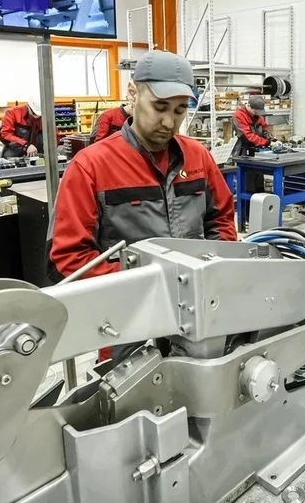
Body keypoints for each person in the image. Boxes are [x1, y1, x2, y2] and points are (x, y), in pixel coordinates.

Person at [47, 50, 237, 360]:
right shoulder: (90, 166)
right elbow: (67, 258)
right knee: (133, 387)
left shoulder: (198, 157)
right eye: (159, 107)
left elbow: (221, 219)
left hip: (199, 314)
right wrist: (148, 286)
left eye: (180, 110)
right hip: (127, 325)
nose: (169, 122)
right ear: (132, 94)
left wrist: (212, 271)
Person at [232, 95, 273, 194]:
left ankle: (260, 201)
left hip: (256, 153)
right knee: (247, 183)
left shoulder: (257, 115)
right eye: (256, 111)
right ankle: (246, 203)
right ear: (249, 106)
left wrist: (271, 138)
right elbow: (248, 136)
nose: (257, 114)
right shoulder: (239, 115)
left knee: (258, 180)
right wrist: (266, 142)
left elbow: (264, 127)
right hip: (243, 153)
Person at [0, 94, 43, 158]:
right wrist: (26, 145)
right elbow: (5, 134)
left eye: (40, 115)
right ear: (28, 106)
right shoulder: (12, 113)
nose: (36, 117)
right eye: (34, 113)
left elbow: (54, 137)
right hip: (15, 154)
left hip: (39, 155)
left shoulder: (46, 117)